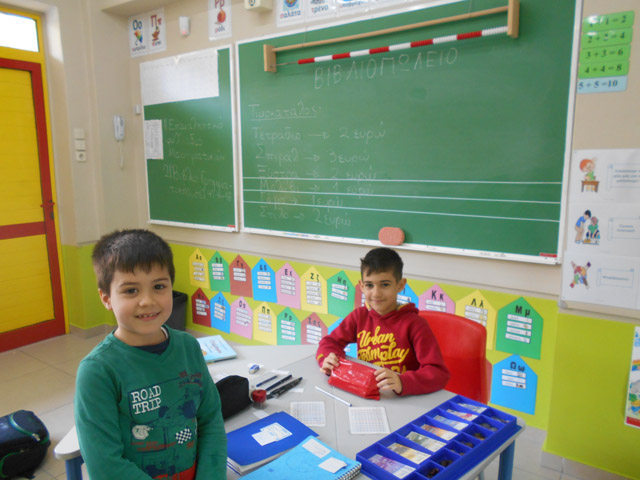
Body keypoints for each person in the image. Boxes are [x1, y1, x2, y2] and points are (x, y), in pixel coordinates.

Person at [74, 229, 227, 480]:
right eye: (131, 291)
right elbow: (105, 465)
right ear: (106, 298)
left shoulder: (188, 347)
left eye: (158, 286)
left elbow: (211, 420)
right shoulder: (97, 371)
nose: (147, 301)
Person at [316, 247, 449, 396]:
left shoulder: (415, 325)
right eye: (369, 285)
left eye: (385, 284)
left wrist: (403, 382)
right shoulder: (359, 316)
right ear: (361, 286)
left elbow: (438, 373)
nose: (376, 293)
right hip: (367, 393)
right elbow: (330, 342)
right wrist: (328, 359)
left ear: (400, 285)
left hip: (402, 397)